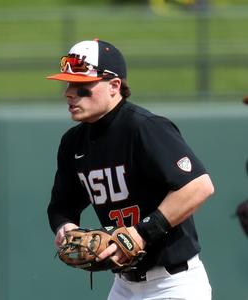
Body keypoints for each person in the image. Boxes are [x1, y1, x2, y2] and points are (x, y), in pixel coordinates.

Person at [46, 39, 214, 299]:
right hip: (124, 285)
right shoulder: (73, 142)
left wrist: (142, 232)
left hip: (172, 282)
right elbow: (62, 204)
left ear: (114, 86)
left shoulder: (144, 128)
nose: (69, 93)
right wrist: (64, 226)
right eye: (68, 84)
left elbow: (198, 186)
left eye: (81, 86)